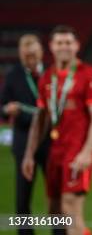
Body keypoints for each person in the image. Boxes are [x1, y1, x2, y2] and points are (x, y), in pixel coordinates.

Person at [22, 25, 92, 235]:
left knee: (71, 210)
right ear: (51, 46)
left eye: (68, 42)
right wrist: (29, 154)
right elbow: (40, 120)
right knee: (54, 213)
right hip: (55, 152)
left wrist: (87, 151)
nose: (64, 47)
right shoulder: (47, 78)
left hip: (76, 152)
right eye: (59, 42)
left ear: (77, 45)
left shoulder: (89, 75)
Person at [0, 34, 53, 235]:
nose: (30, 56)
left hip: (50, 141)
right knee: (23, 198)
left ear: (41, 52)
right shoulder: (14, 75)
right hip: (23, 142)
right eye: (26, 52)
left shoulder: (51, 72)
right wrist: (7, 110)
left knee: (55, 196)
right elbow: (2, 105)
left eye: (33, 51)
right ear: (21, 54)